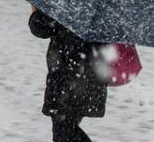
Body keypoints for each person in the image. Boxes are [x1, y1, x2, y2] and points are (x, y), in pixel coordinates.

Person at [28, 8, 107, 142]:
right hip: (87, 75)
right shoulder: (99, 6)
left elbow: (41, 27)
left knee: (63, 131)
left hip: (67, 79)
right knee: (65, 130)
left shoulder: (64, 3)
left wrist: (36, 12)